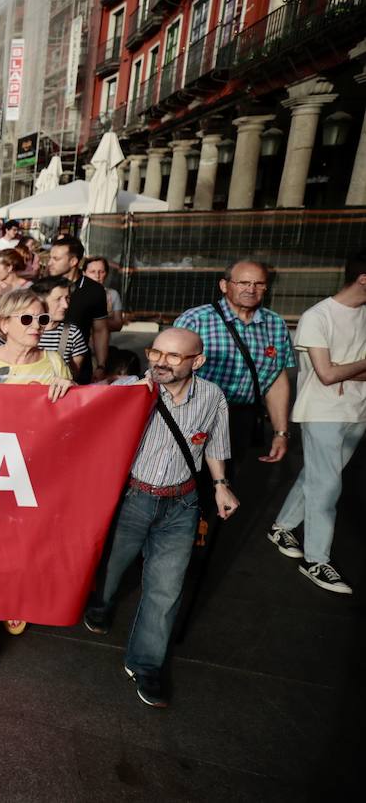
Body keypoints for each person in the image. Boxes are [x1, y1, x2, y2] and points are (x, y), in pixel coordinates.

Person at [84, 327, 236, 708]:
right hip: (133, 499)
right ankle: (100, 604)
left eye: (172, 356)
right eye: (156, 353)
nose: (159, 362)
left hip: (181, 505)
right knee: (112, 568)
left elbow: (215, 443)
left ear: (196, 362)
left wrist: (220, 484)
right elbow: (82, 409)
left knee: (166, 589)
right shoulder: (132, 390)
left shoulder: (212, 397)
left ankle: (146, 665)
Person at [0, 288, 74, 663]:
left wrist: (70, 392)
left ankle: (15, 596)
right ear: (4, 323)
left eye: (42, 319)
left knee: (28, 542)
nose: (37, 326)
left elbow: (76, 419)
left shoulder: (55, 363)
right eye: (27, 319)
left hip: (38, 470)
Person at [266, 250, 366, 595]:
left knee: (320, 475)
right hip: (323, 411)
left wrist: (345, 368)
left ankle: (281, 527)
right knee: (327, 486)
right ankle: (316, 560)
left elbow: (338, 370)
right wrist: (352, 367)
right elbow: (326, 374)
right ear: (363, 278)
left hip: (357, 410)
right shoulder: (317, 316)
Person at [173, 259, 293, 466]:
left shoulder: (276, 325)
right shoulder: (195, 320)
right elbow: (171, 372)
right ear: (224, 285)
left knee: (227, 482)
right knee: (185, 480)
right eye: (243, 283)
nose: (251, 289)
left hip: (241, 419)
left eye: (259, 284)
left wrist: (280, 432)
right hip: (196, 414)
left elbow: (276, 380)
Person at [45, 236, 109, 383]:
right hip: (43, 366)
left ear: (73, 261)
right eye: (50, 258)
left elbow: (100, 330)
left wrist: (100, 366)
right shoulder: (42, 287)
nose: (50, 263)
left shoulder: (94, 290)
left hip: (78, 366)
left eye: (56, 259)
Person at [18, 276, 90, 378]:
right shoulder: (16, 328)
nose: (66, 305)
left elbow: (73, 376)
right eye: (58, 299)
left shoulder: (72, 333)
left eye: (67, 298)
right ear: (40, 300)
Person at [84, 256, 126, 332]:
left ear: (106, 274)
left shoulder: (113, 295)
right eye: (92, 272)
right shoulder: (75, 294)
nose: (97, 276)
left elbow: (118, 325)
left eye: (101, 272)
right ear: (84, 273)